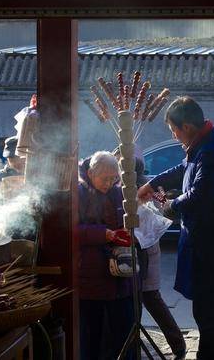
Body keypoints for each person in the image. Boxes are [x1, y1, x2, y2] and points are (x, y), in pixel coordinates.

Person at [137, 97, 214, 360]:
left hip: (211, 249)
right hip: (210, 246)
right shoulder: (202, 145)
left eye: (174, 131)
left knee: (208, 312)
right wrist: (153, 184)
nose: (174, 137)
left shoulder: (211, 152)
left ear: (186, 126)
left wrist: (170, 206)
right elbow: (182, 168)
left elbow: (198, 195)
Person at [113, 148, 186, 359]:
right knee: (142, 297)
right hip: (135, 247)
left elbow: (166, 207)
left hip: (146, 249)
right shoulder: (126, 187)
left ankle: (177, 345)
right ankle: (138, 344)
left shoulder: (148, 186)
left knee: (149, 297)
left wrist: (160, 202)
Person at [78, 151, 134, 360]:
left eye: (113, 179)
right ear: (91, 173)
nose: (109, 183)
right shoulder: (79, 193)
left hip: (119, 275)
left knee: (124, 329)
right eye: (105, 179)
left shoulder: (118, 192)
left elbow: (125, 218)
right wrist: (103, 234)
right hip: (91, 277)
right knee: (91, 335)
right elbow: (72, 230)